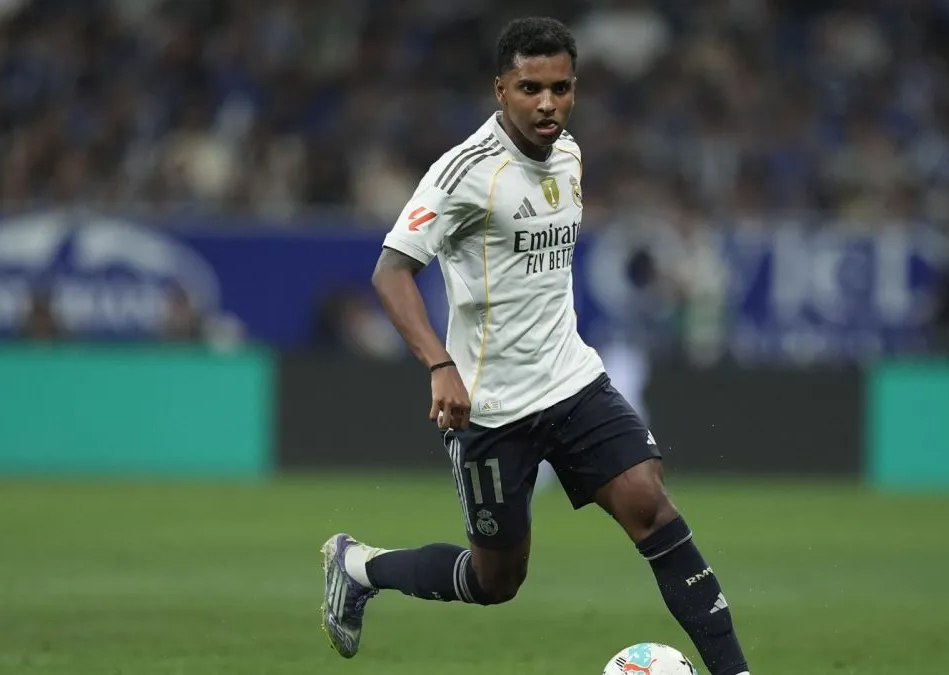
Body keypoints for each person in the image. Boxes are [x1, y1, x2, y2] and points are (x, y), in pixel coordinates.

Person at [319, 17, 752, 675]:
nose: (548, 103)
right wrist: (440, 364)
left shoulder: (570, 155)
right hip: (491, 407)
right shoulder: (464, 173)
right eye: (530, 88)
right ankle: (358, 567)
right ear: (501, 89)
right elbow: (391, 271)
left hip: (572, 381)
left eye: (561, 88)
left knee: (650, 504)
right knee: (496, 579)